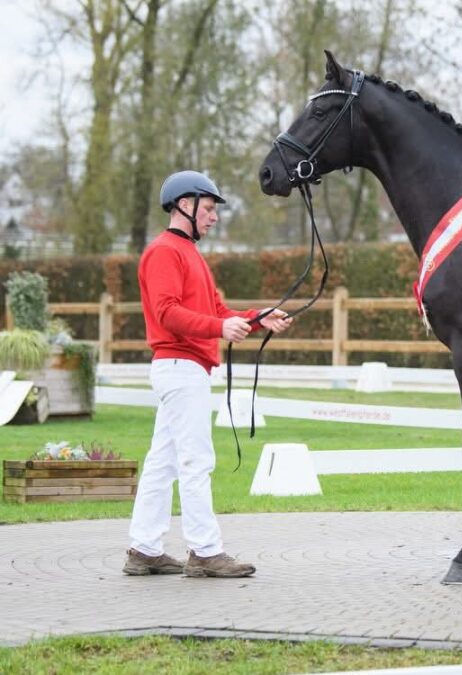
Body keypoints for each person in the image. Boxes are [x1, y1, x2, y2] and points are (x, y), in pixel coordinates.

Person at [123, 170, 293, 578]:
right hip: (180, 367)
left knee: (163, 462)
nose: (214, 217)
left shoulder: (190, 255)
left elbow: (217, 312)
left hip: (184, 368)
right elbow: (167, 313)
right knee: (196, 461)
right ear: (185, 204)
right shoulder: (165, 252)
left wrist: (257, 318)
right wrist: (219, 329)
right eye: (210, 208)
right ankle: (205, 552)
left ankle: (144, 549)